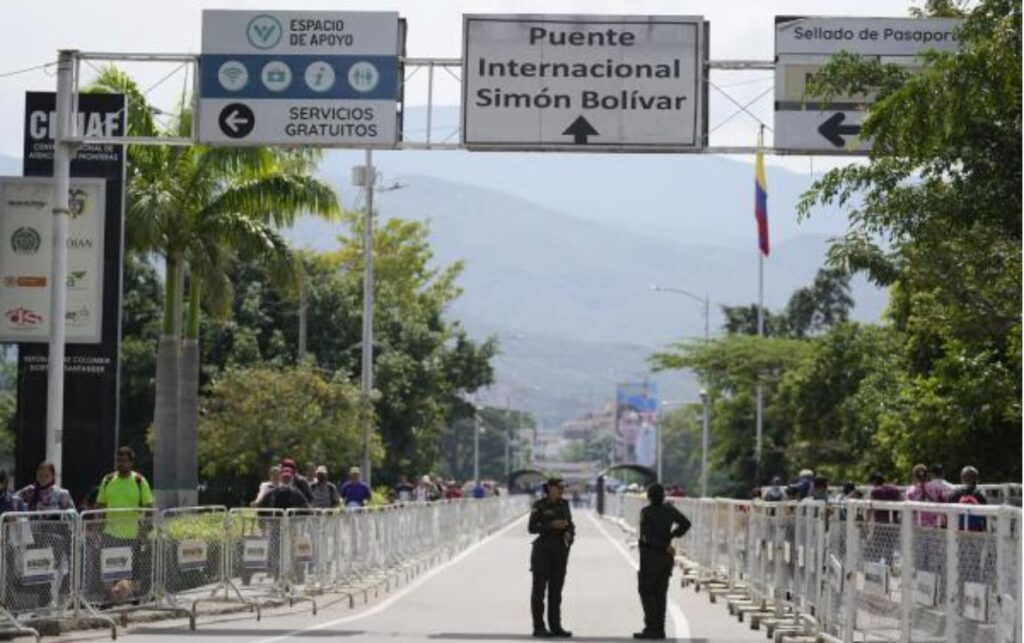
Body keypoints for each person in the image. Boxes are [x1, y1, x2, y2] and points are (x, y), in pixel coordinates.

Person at [634, 483, 690, 640]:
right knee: (661, 593)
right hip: (665, 559)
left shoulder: (646, 512)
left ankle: (651, 628)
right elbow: (686, 524)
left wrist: (664, 545)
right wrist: (672, 536)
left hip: (651, 557)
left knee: (647, 592)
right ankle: (660, 629)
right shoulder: (670, 510)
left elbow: (647, 537)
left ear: (649, 497)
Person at [528, 477, 575, 639]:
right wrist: (551, 526)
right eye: (559, 487)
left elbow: (570, 524)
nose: (562, 490)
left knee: (556, 591)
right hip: (542, 551)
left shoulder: (564, 504)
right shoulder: (539, 505)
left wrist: (570, 534)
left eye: (563, 487)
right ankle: (539, 627)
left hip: (560, 551)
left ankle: (556, 626)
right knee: (539, 591)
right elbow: (532, 528)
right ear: (550, 488)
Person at [948, 466, 987, 531]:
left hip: (956, 531)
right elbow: (985, 518)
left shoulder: (953, 494)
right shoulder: (980, 495)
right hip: (976, 532)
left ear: (962, 478)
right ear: (977, 480)